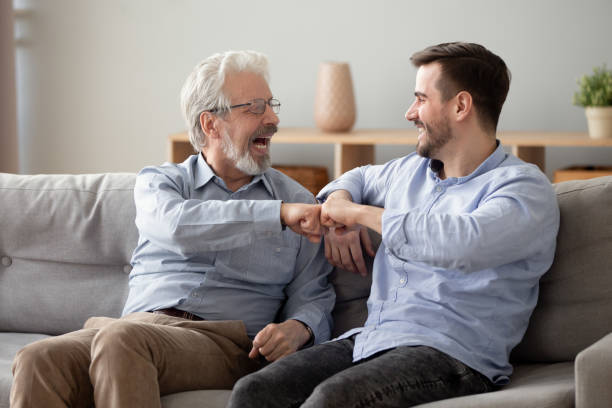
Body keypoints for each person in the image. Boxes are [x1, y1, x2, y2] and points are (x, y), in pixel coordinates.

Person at [228, 42, 560, 408]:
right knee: (254, 391)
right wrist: (339, 202)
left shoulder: (523, 187)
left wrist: (358, 215)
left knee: (332, 400)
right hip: (373, 339)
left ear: (461, 106)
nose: (409, 112)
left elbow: (463, 242)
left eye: (420, 98)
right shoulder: (408, 172)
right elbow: (352, 178)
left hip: (454, 355)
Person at [10, 50, 335, 408]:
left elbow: (315, 291)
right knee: (36, 359)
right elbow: (177, 226)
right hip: (136, 325)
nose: (272, 118)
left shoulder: (297, 199)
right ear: (211, 124)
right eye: (255, 108)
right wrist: (275, 215)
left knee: (122, 340)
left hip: (224, 342)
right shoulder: (161, 183)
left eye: (271, 105)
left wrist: (299, 328)